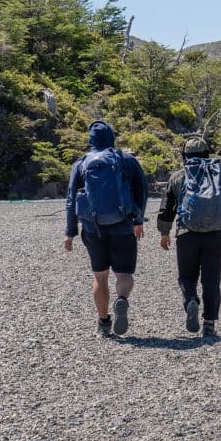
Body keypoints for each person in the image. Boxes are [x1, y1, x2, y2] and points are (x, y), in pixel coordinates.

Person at [63, 121, 148, 337]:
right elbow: (142, 190)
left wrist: (70, 232)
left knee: (100, 277)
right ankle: (122, 299)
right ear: (112, 137)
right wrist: (138, 219)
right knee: (124, 273)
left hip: (93, 228)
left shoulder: (81, 163)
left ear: (90, 140)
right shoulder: (125, 160)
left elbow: (72, 200)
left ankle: (103, 322)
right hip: (123, 225)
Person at [157, 137, 221, 337]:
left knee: (187, 276)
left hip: (186, 234)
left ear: (185, 155)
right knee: (211, 280)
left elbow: (167, 208)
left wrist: (164, 232)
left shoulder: (178, 177)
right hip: (214, 235)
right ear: (207, 154)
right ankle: (209, 324)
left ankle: (191, 299)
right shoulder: (217, 176)